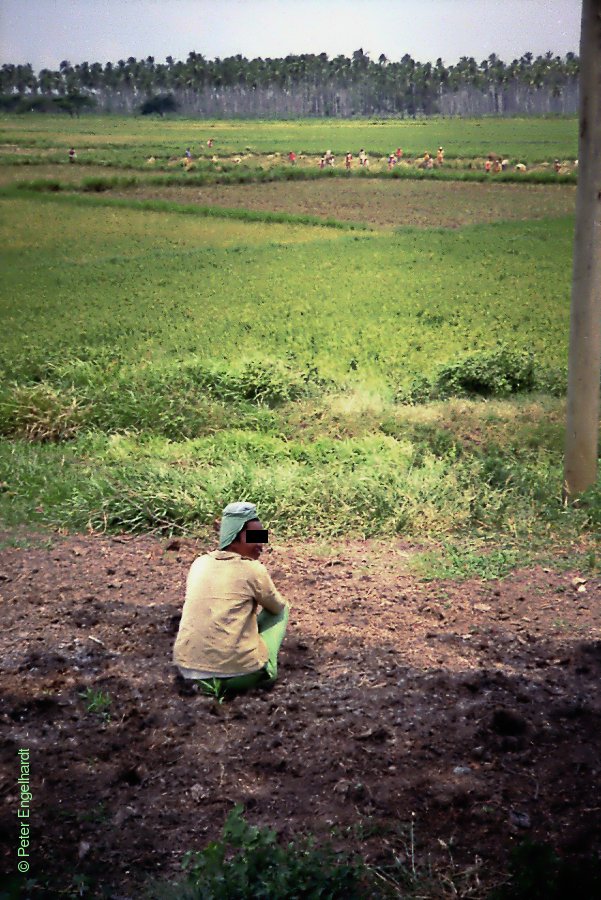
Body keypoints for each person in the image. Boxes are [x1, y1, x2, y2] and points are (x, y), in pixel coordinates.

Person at [173, 502, 289, 695]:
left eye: (262, 537)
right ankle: (267, 670)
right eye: (254, 538)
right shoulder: (252, 569)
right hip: (235, 679)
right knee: (283, 609)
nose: (261, 544)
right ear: (233, 539)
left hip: (188, 674)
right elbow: (277, 607)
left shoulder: (199, 563)